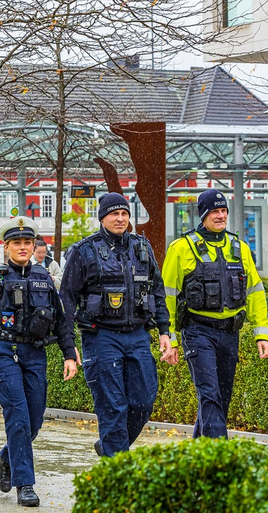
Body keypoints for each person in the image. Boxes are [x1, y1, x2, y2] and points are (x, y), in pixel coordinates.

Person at [0, 216, 77, 507]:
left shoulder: (44, 279)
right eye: (17, 243)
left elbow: (61, 322)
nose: (24, 247)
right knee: (19, 419)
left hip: (34, 354)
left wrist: (70, 354)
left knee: (34, 421)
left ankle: (5, 456)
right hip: (3, 354)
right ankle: (25, 485)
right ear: (6, 246)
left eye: (28, 242)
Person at [60, 192, 175, 458]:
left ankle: (111, 444)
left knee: (144, 401)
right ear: (103, 218)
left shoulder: (142, 247)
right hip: (101, 337)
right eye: (114, 214)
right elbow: (66, 300)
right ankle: (117, 469)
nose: (120, 218)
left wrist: (164, 331)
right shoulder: (83, 251)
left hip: (137, 335)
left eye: (124, 214)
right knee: (113, 406)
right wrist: (68, 345)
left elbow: (157, 291)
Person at [162, 189, 268, 439]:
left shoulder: (240, 248)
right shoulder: (181, 248)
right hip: (198, 332)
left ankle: (200, 456)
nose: (221, 216)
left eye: (223, 211)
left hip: (230, 334)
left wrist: (262, 334)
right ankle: (219, 457)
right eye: (215, 211)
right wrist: (171, 339)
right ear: (203, 215)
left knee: (220, 398)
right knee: (210, 394)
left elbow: (254, 292)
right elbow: (166, 296)